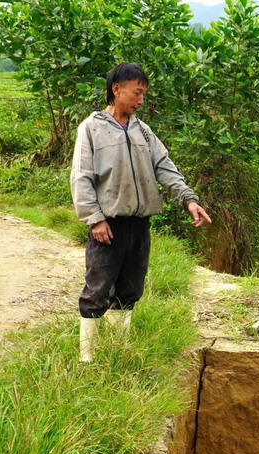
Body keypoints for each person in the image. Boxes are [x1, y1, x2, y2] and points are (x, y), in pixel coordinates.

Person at [70, 62, 212, 362]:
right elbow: (81, 176)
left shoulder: (142, 130)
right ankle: (87, 358)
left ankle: (120, 351)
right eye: (137, 92)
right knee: (97, 288)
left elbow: (164, 166)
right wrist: (95, 219)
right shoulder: (91, 128)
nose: (140, 100)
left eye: (144, 94)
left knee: (130, 287)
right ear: (116, 89)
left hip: (140, 223)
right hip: (108, 225)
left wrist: (189, 199)